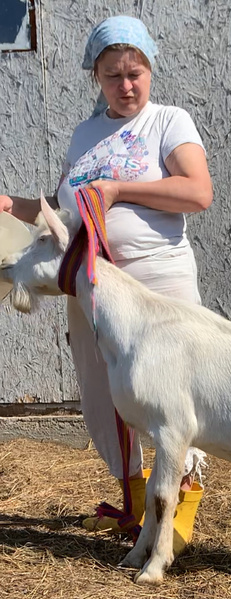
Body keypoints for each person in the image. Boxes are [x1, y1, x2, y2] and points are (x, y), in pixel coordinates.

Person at [0, 15, 213, 549]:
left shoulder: (169, 122)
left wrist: (119, 189)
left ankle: (180, 506)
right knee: (105, 393)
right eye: (113, 75)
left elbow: (197, 191)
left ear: (150, 69)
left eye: (134, 73)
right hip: (91, 287)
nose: (126, 85)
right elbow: (63, 214)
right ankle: (136, 499)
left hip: (156, 281)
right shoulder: (85, 134)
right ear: (96, 76)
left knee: (172, 394)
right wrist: (9, 204)